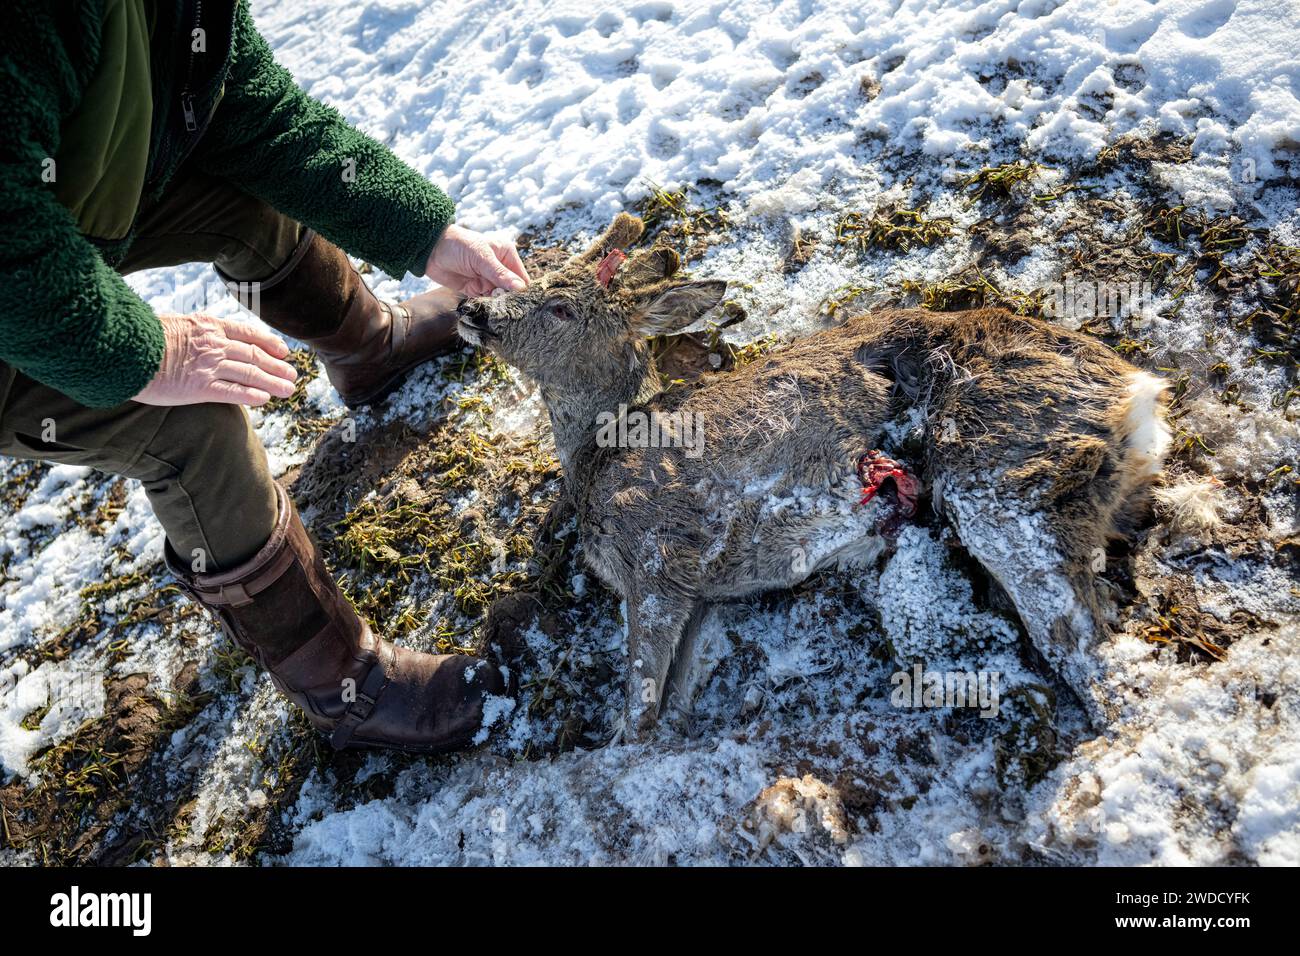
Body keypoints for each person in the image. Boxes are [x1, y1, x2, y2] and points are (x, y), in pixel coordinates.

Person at [0, 0, 530, 753]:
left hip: (50, 230)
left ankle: (369, 348)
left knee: (251, 198)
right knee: (191, 423)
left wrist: (424, 232)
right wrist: (143, 354)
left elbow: (251, 114)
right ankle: (344, 691)